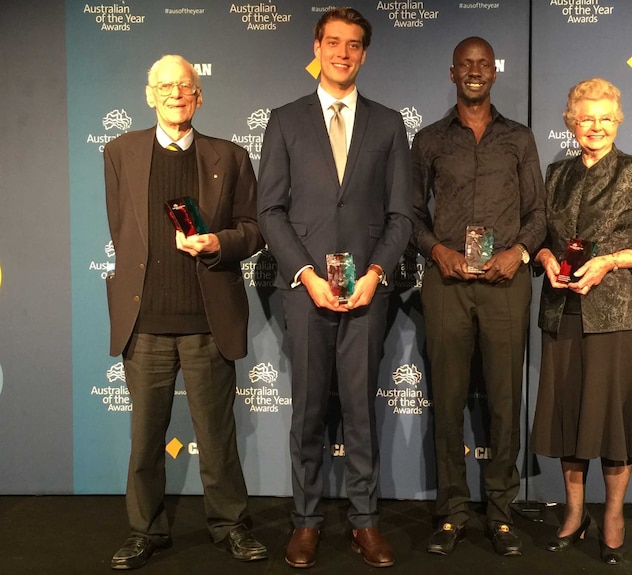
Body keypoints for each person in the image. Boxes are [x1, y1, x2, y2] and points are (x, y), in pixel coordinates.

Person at [257, 7, 412, 570]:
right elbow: (269, 210)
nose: (343, 53)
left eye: (354, 45)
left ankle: (365, 522)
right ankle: (305, 521)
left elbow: (402, 216)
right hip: (306, 293)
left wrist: (374, 275)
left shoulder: (389, 124)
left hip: (368, 293)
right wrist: (306, 276)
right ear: (317, 48)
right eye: (334, 43)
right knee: (306, 414)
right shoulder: (285, 121)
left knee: (361, 412)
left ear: (364, 54)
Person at [103, 54, 267, 570]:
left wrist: (218, 241)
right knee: (145, 439)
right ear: (150, 94)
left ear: (200, 96)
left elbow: (255, 229)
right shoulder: (118, 151)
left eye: (186, 86)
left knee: (218, 438)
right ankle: (144, 530)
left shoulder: (231, 155)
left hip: (207, 322)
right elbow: (121, 233)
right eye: (165, 86)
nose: (176, 93)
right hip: (144, 324)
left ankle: (231, 526)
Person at [530, 77, 632, 565]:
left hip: (620, 318)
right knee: (570, 420)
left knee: (614, 424)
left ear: (618, 122)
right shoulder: (555, 174)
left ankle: (613, 514)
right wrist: (546, 258)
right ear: (571, 123)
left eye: (604, 118)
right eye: (585, 118)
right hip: (564, 312)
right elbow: (540, 237)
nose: (594, 126)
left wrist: (611, 261)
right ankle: (575, 513)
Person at [412, 37, 545, 557]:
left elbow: (538, 214)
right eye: (465, 65)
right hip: (446, 284)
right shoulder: (428, 140)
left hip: (504, 286)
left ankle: (502, 513)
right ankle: (450, 513)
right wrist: (436, 251)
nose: (474, 72)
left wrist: (519, 253)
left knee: (504, 401)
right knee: (446, 401)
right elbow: (410, 215)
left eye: (482, 65)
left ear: (494, 72)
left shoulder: (519, 139)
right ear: (452, 73)